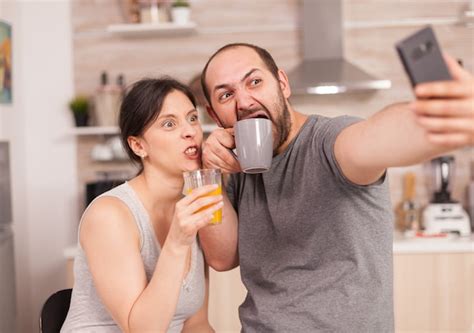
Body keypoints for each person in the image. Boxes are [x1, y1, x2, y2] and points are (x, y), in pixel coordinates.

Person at [196, 43, 474, 332]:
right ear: (215, 116)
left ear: (282, 84)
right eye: (226, 95)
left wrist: (441, 118)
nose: (244, 102)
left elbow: (376, 139)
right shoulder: (237, 169)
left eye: (254, 82)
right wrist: (208, 170)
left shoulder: (329, 142)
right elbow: (222, 257)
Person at [62, 78, 223, 332]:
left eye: (192, 118)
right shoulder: (110, 214)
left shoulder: (191, 208)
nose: (190, 131)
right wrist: (177, 242)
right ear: (138, 145)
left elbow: (196, 323)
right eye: (169, 124)